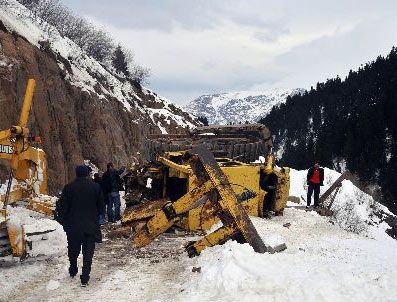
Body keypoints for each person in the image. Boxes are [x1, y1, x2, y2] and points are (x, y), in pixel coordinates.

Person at [55, 165, 104, 287]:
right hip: (90, 226)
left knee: (73, 250)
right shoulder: (95, 187)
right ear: (87, 174)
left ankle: (73, 269)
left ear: (76, 174)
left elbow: (62, 209)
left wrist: (65, 223)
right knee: (88, 253)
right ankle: (85, 278)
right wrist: (95, 217)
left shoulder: (68, 188)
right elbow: (101, 208)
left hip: (73, 227)